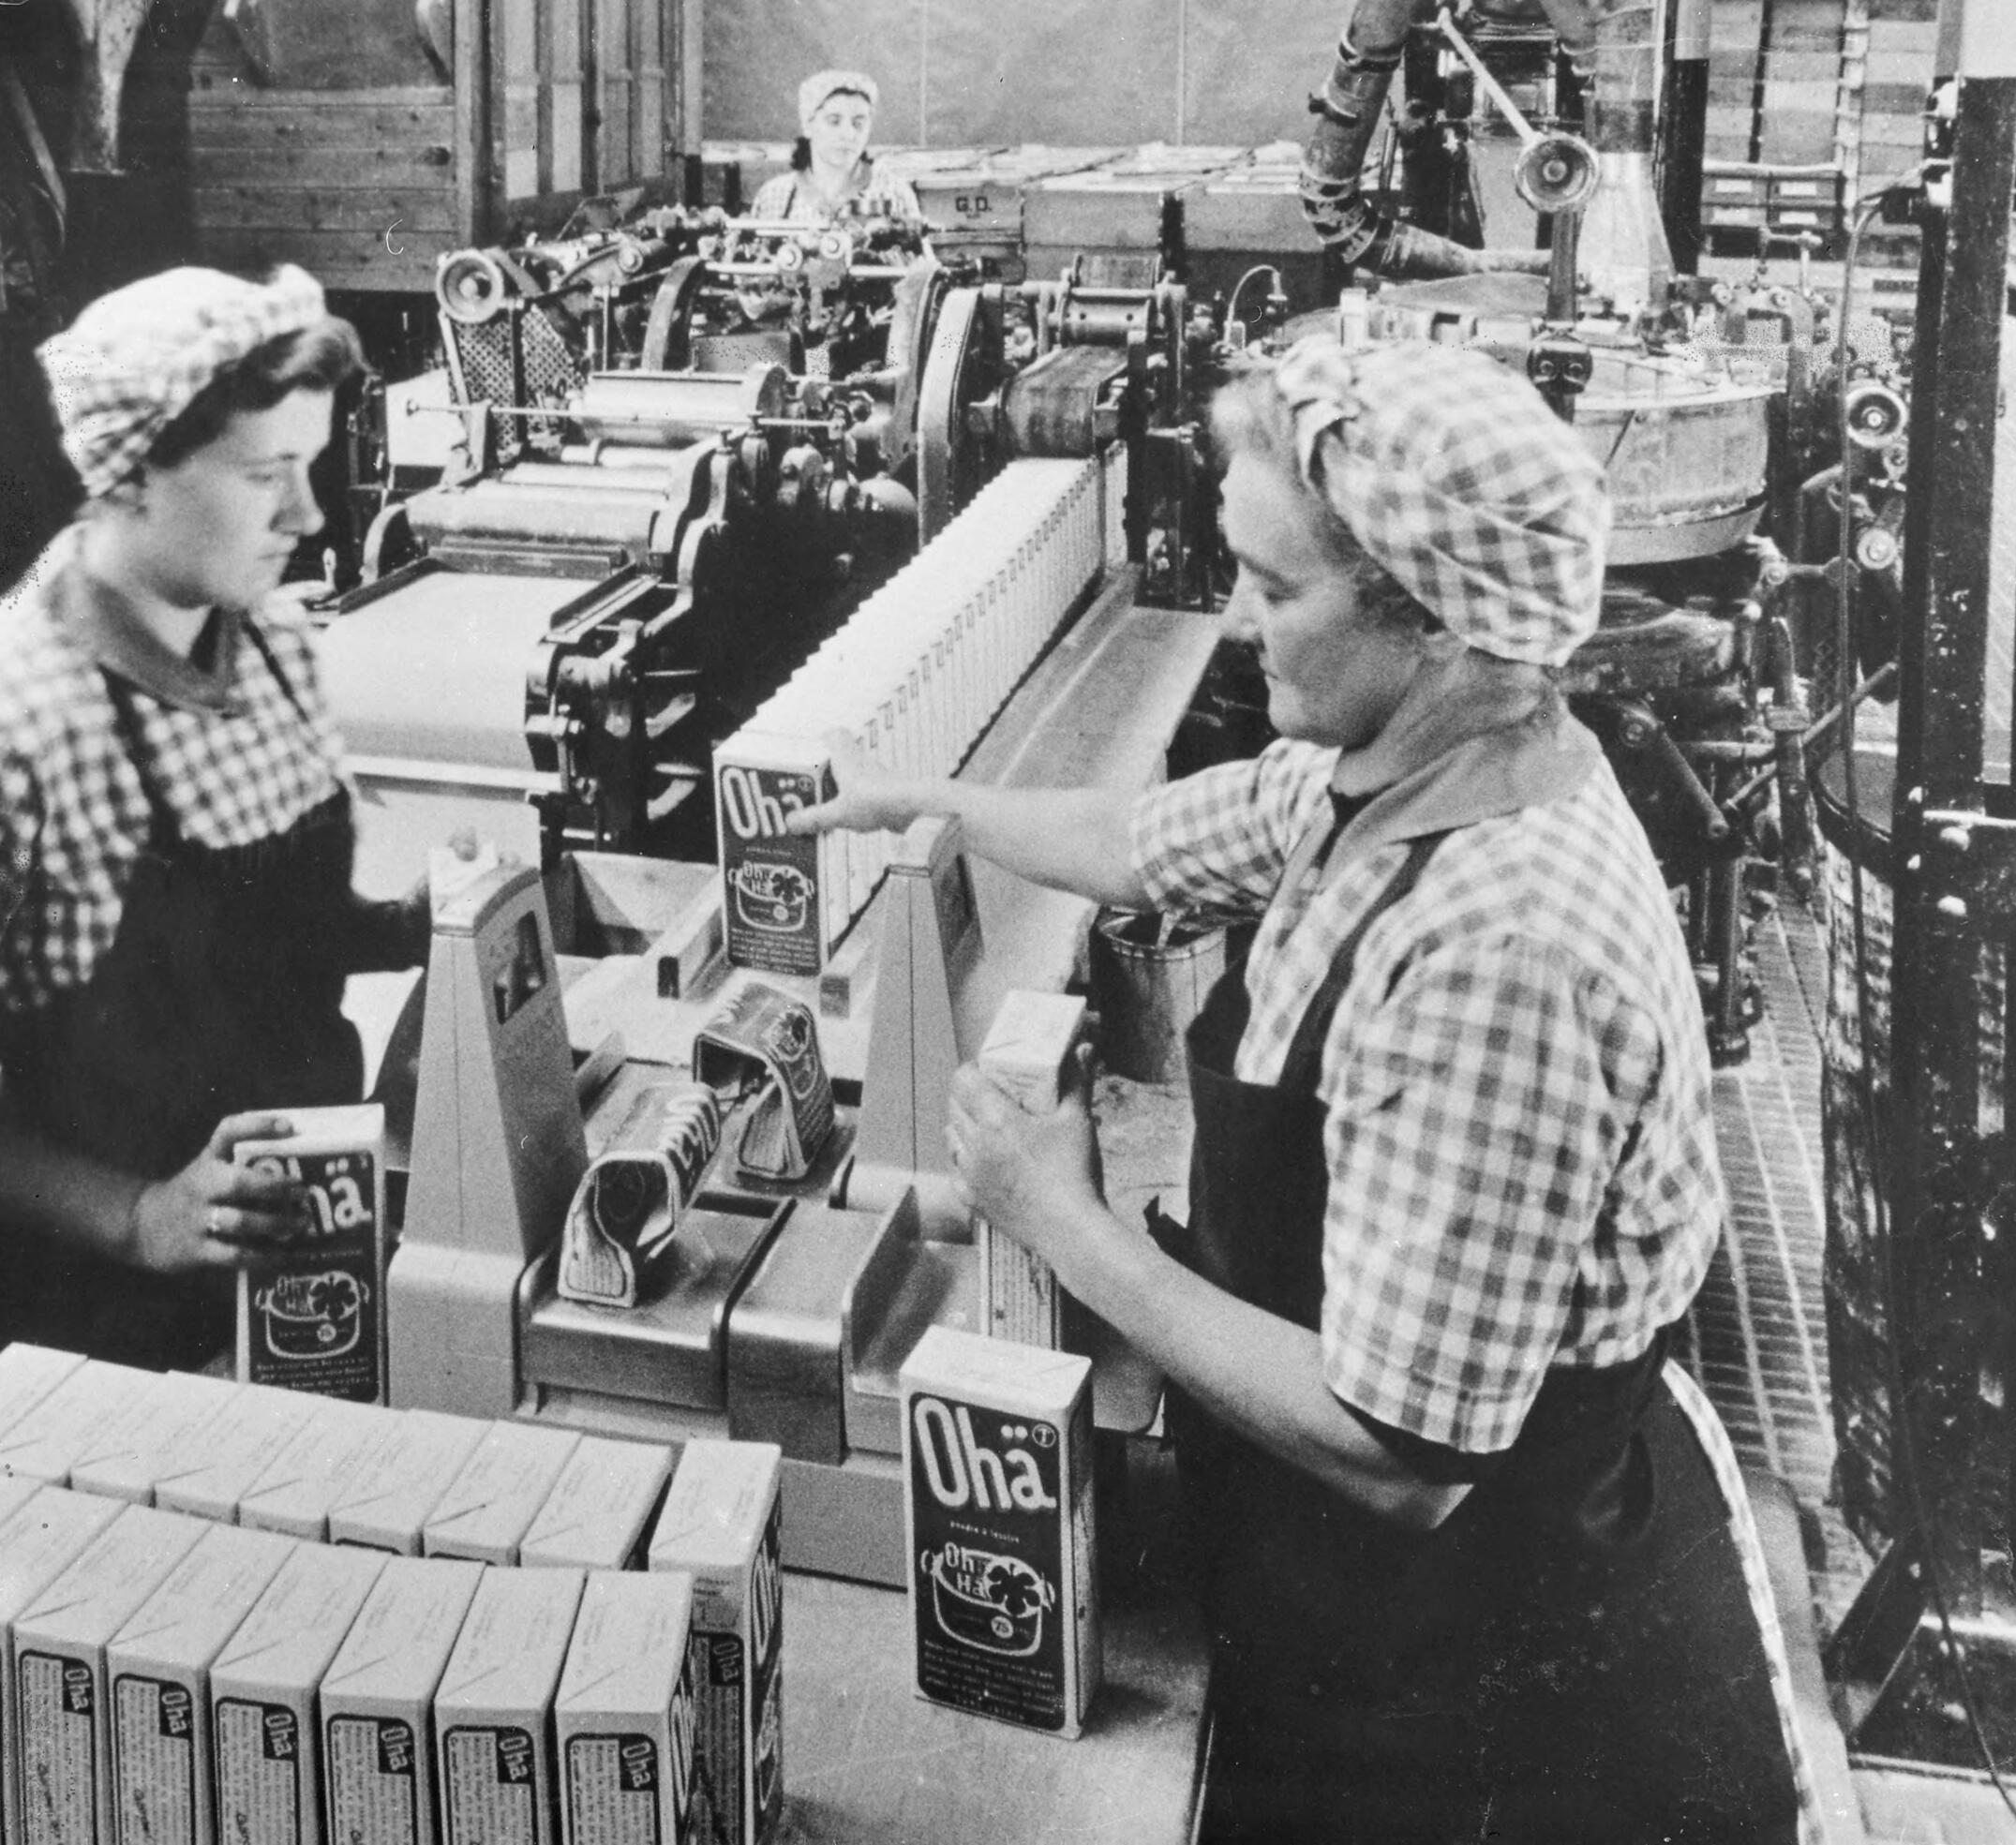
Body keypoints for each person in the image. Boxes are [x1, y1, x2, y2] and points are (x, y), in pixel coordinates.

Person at [790, 338, 1817, 1842]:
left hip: (1491, 1676)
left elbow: (1399, 1452)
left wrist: (1067, 1226)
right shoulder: (1396, 762)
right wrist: (931, 806)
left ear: (1435, 621)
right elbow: (1144, 840)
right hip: (1366, 1593)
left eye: (1274, 591)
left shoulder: (1499, 946)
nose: (1234, 621)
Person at [0, 265, 430, 1449]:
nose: (311, 518)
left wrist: (423, 924)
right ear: (131, 471)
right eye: (266, 478)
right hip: (79, 1318)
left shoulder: (273, 644)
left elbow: (267, 930)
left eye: (310, 467)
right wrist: (136, 1215)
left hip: (280, 1259)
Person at [750, 68, 923, 224]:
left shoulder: (894, 193)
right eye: (834, 121)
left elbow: (922, 259)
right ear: (808, 125)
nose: (848, 134)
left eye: (858, 123)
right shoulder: (774, 197)